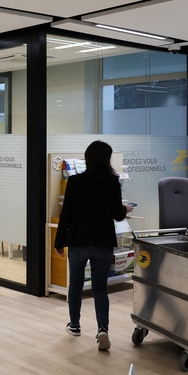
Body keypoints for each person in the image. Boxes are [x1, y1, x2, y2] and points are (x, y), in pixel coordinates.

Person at [54, 140, 133, 351]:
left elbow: (66, 214)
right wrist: (125, 209)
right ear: (107, 159)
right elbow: (117, 215)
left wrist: (59, 241)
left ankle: (74, 325)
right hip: (102, 242)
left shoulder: (75, 181)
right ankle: (102, 329)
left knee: (75, 284)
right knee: (99, 287)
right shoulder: (112, 182)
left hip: (78, 240)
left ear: (87, 158)